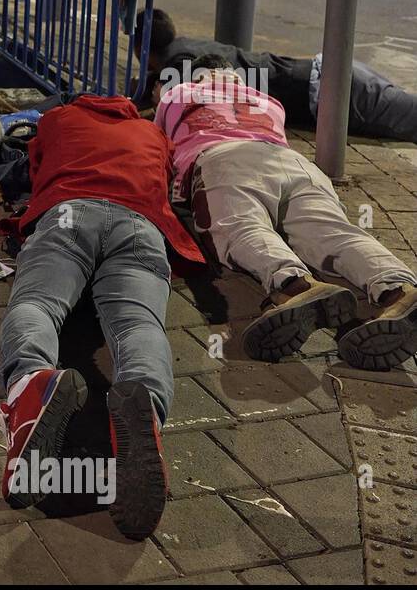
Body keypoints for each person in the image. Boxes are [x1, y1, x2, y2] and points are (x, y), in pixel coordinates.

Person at [0, 94, 207, 541]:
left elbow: (34, 167)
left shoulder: (58, 118)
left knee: (38, 305)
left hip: (69, 214)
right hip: (140, 225)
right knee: (138, 325)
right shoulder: (152, 132)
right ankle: (145, 404)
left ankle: (30, 384)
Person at [159, 55, 417, 369]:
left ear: (194, 76)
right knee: (334, 232)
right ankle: (398, 288)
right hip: (294, 163)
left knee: (242, 228)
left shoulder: (177, 94)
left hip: (223, 160)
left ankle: (295, 287)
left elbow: (159, 148)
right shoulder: (269, 101)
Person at [138, 8, 417, 142]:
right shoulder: (186, 46)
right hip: (330, 79)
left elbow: (191, 105)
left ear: (143, 47)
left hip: (332, 91)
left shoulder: (180, 61)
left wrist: (161, 99)